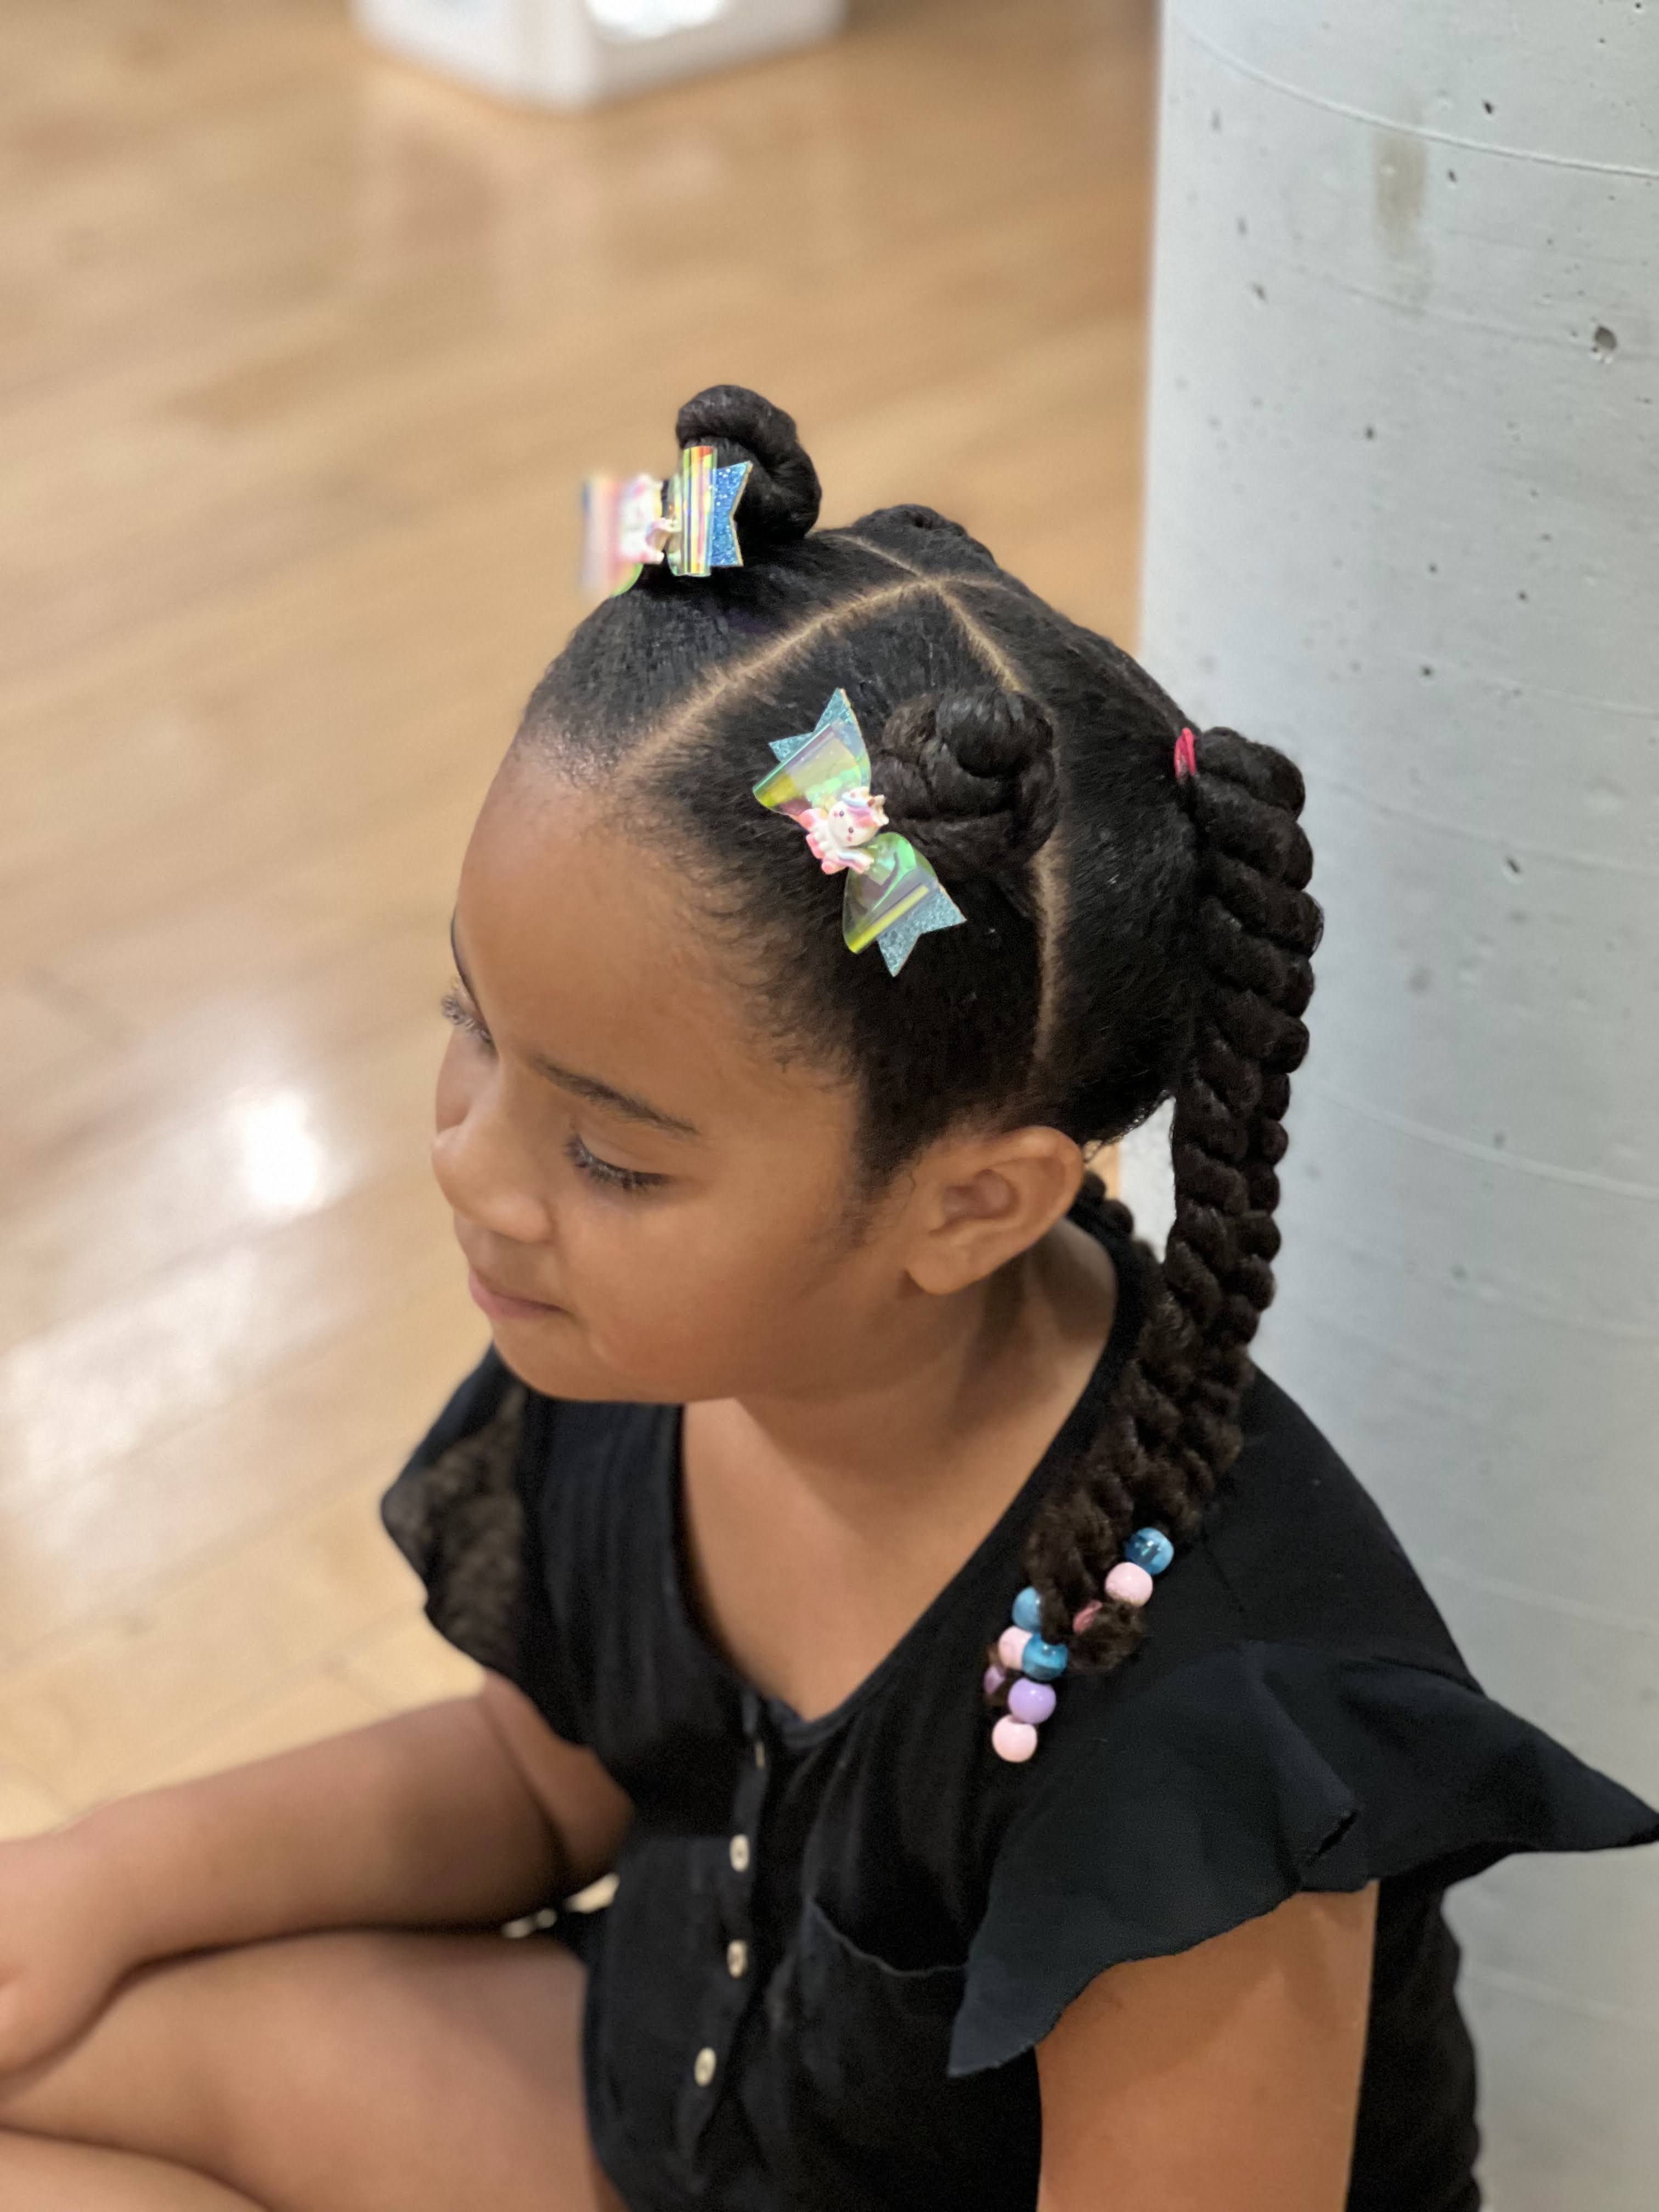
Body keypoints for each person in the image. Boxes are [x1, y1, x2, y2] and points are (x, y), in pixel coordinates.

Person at [0, 386, 1652, 2212]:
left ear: (973, 1205)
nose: (476, 1169)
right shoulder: (634, 1341)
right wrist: (101, 1878)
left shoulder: (1195, 1715)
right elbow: (535, 1782)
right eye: (472, 1026)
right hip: (670, 2128)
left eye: (614, 1156)